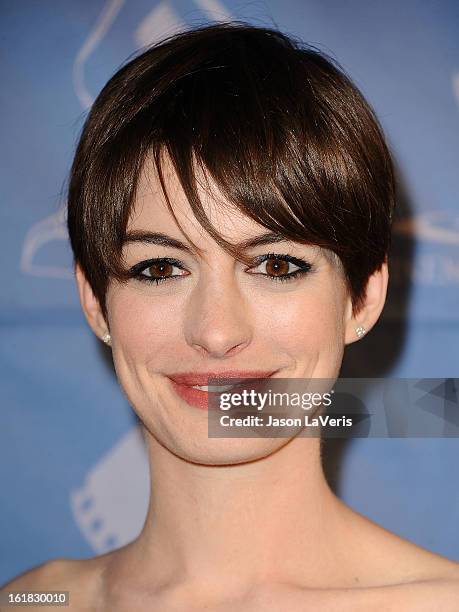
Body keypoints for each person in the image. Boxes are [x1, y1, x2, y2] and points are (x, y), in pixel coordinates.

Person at [2, 21, 459, 611]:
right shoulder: (37, 601)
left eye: (275, 266)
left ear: (363, 297)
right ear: (95, 301)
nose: (217, 333)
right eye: (161, 269)